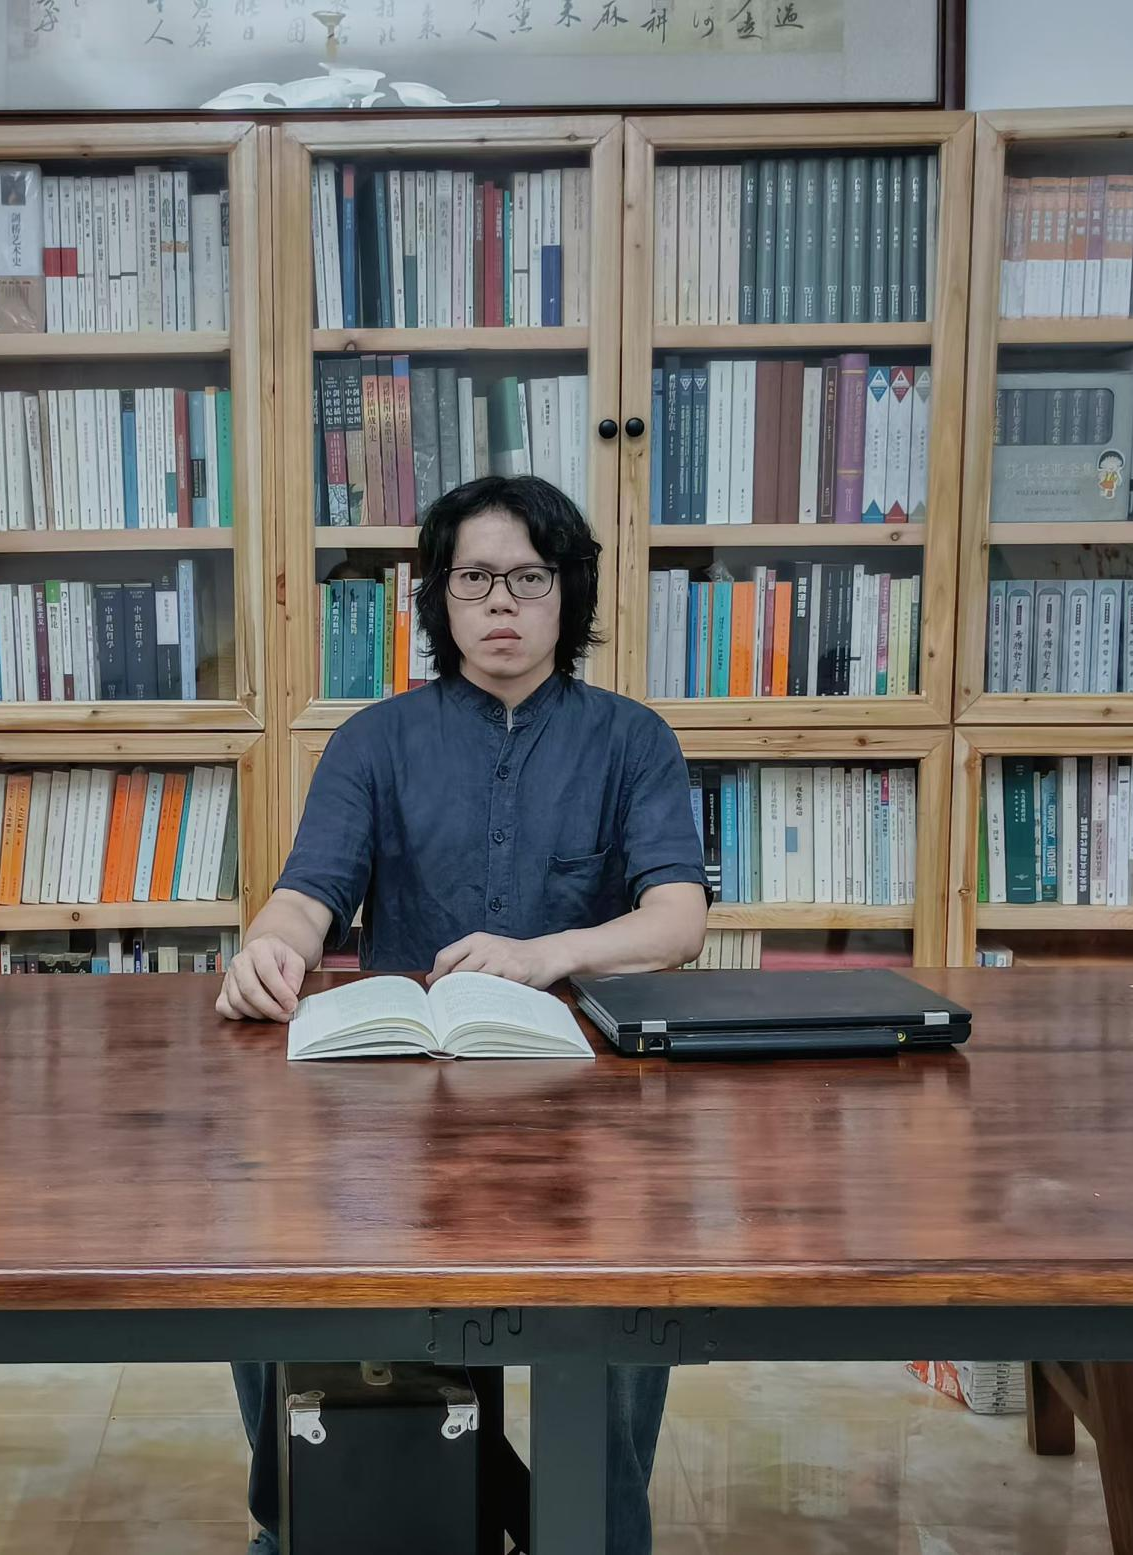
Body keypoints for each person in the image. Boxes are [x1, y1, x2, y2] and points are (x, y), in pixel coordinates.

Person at [219, 474, 709, 1555]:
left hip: (581, 1112)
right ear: (438, 596)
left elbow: (678, 918)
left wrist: (548, 953)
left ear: (568, 593)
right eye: (474, 577)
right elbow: (306, 895)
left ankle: (593, 1527)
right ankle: (306, 1519)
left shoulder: (632, 739)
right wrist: (270, 947)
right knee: (264, 1264)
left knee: (634, 1287)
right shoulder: (373, 740)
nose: (500, 603)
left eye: (528, 578)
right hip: (400, 1110)